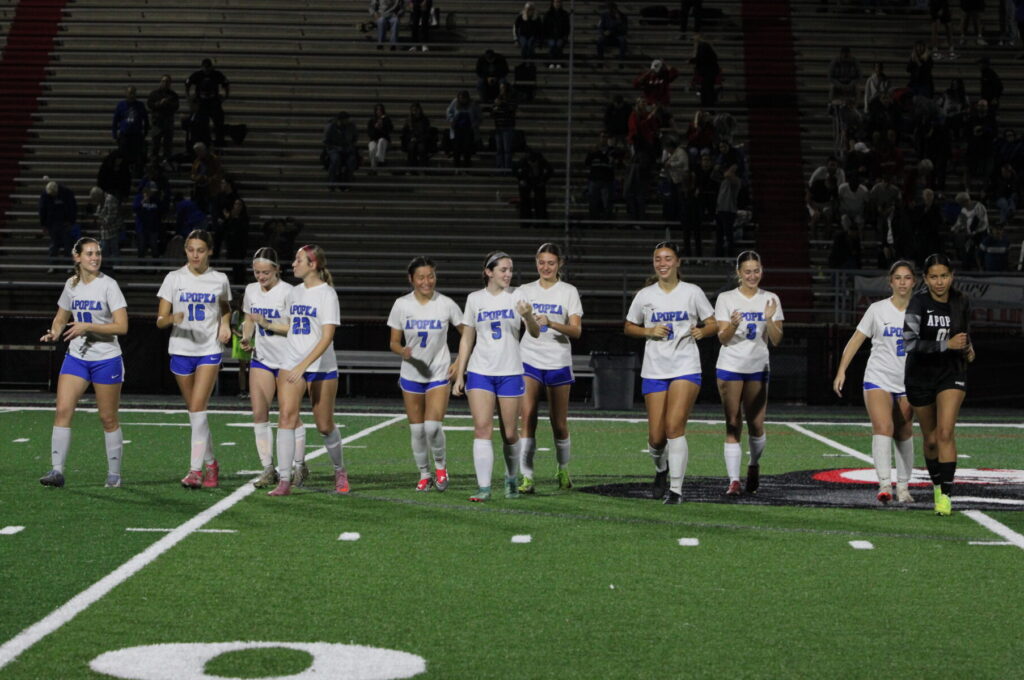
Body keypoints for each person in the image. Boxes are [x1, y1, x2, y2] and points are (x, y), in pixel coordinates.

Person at [624, 241, 715, 505]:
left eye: (667, 258)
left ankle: (676, 490)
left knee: (674, 426)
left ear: (677, 262)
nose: (662, 263)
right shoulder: (645, 295)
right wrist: (648, 331)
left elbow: (713, 323)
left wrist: (703, 331)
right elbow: (629, 326)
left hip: (686, 366)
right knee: (656, 438)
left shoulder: (692, 292)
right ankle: (661, 469)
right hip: (654, 369)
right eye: (658, 259)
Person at [38, 237, 128, 488]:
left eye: (97, 253)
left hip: (106, 358)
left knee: (107, 418)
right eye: (89, 253)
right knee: (63, 410)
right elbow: (61, 317)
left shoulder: (109, 285)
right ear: (76, 257)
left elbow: (122, 326)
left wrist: (88, 326)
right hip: (77, 357)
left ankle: (114, 474)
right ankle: (57, 470)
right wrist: (55, 332)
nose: (95, 258)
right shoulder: (71, 284)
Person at [452, 251, 540, 502]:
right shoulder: (474, 299)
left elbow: (535, 332)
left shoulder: (518, 296)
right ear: (488, 272)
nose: (508, 274)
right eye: (503, 269)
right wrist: (460, 374)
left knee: (510, 434)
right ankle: (484, 487)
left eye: (510, 269)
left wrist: (527, 315)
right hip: (480, 371)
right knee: (482, 429)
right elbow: (467, 338)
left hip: (510, 371)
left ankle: (511, 478)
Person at [833, 260, 916, 504]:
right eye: (898, 278)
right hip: (878, 377)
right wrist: (841, 370)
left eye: (907, 278)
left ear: (914, 282)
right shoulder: (877, 310)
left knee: (904, 431)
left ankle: (903, 488)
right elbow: (856, 340)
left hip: (908, 381)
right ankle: (884, 485)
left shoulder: (921, 311)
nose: (902, 282)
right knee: (883, 427)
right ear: (890, 282)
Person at [266, 245, 346, 496]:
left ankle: (339, 470)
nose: (293, 264)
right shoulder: (294, 293)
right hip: (291, 363)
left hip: (321, 366)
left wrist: (304, 365)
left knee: (324, 425)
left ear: (313, 265)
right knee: (286, 417)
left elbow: (327, 336)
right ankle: (284, 479)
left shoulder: (327, 294)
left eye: (299, 260)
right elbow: (293, 328)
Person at [156, 229, 231, 488]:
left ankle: (195, 471)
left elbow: (225, 307)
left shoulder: (219, 279)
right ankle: (211, 464)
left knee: (198, 407)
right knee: (195, 414)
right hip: (181, 348)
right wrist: (171, 318)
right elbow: (160, 320)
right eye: (191, 250)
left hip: (209, 349)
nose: (195, 255)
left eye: (200, 250)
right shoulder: (174, 278)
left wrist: (225, 325)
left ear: (209, 251)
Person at [903, 253, 975, 516]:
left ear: (952, 276)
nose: (939, 281)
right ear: (925, 279)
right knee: (931, 439)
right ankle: (936, 484)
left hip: (951, 372)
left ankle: (945, 495)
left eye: (944, 276)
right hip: (920, 375)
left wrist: (968, 348)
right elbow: (909, 342)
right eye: (934, 277)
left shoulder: (961, 301)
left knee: (945, 432)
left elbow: (964, 334)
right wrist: (947, 344)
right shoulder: (918, 303)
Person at [387, 257, 464, 491]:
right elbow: (393, 342)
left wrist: (459, 362)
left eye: (430, 276)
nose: (426, 281)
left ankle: (440, 467)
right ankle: (424, 474)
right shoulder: (401, 304)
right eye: (421, 277)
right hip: (411, 374)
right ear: (411, 279)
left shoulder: (446, 304)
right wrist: (402, 350)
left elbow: (468, 334)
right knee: (417, 430)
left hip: (438, 372)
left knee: (432, 427)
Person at [714, 251, 783, 496]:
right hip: (730, 365)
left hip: (758, 367)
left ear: (761, 271)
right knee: (733, 423)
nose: (752, 276)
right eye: (747, 271)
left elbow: (776, 340)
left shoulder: (771, 298)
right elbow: (723, 339)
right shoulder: (726, 298)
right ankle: (733, 480)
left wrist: (769, 319)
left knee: (756, 424)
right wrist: (733, 324)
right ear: (739, 273)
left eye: (756, 271)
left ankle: (753, 464)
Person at [517, 243, 583, 493]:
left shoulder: (568, 291)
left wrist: (552, 323)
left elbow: (576, 331)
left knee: (559, 423)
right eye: (542, 262)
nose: (546, 267)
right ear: (536, 263)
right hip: (529, 359)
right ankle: (527, 477)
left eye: (551, 263)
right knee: (528, 417)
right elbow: (518, 325)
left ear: (559, 264)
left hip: (558, 361)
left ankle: (563, 469)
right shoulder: (525, 290)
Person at [240, 247, 307, 489]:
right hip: (262, 359)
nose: (260, 277)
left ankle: (299, 465)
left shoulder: (289, 292)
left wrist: (267, 323)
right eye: (257, 272)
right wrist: (247, 337)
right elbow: (249, 319)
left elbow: (295, 327)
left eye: (265, 272)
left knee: (290, 416)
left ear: (277, 270)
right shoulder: (251, 290)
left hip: (289, 361)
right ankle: (268, 468)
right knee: (260, 414)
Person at [185, 58, 230, 146]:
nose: (206, 70)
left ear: (211, 67)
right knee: (201, 124)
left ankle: (219, 142)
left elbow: (226, 83)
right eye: (205, 68)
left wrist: (225, 96)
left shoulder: (216, 74)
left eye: (208, 68)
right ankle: (204, 141)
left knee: (219, 122)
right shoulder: (198, 75)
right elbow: (187, 84)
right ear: (202, 67)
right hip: (201, 102)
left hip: (213, 102)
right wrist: (189, 98)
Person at [39, 180, 78, 268]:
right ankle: (53, 265)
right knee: (54, 245)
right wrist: (43, 224)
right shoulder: (45, 195)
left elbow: (73, 208)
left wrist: (71, 221)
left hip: (64, 223)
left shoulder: (67, 194)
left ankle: (67, 265)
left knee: (67, 245)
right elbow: (42, 210)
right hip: (53, 224)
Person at [112, 86, 149, 177]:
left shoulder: (140, 105)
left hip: (136, 135)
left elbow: (146, 119)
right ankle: (123, 174)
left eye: (133, 93)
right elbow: (115, 120)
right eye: (130, 93)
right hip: (125, 135)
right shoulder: (121, 105)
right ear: (126, 94)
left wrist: (145, 133)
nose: (132, 95)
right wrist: (114, 134)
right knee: (123, 156)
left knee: (137, 156)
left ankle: (137, 174)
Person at [147, 75, 180, 166]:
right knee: (155, 144)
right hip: (156, 123)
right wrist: (159, 104)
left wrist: (167, 103)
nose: (165, 83)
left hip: (168, 123)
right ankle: (154, 163)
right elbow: (150, 104)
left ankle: (166, 162)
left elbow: (176, 106)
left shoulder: (173, 95)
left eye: (167, 82)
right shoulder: (154, 94)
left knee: (167, 145)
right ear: (160, 82)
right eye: (163, 81)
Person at [323, 111, 358, 188]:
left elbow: (355, 138)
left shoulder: (351, 126)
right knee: (335, 160)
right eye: (346, 120)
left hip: (347, 148)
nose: (348, 121)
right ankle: (331, 181)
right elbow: (326, 141)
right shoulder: (330, 127)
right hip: (334, 148)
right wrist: (335, 148)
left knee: (351, 161)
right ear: (340, 120)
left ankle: (348, 181)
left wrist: (351, 146)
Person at [446, 91, 481, 168]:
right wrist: (451, 120)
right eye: (461, 98)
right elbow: (449, 112)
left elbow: (479, 117)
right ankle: (456, 168)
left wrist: (474, 125)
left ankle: (466, 168)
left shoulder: (473, 104)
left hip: (469, 130)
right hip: (457, 130)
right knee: (456, 150)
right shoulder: (455, 102)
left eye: (464, 98)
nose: (462, 100)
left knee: (467, 149)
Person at [401, 102, 434, 168]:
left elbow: (427, 133)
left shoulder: (424, 119)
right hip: (412, 139)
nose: (415, 112)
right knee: (411, 147)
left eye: (416, 110)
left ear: (420, 110)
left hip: (422, 139)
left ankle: (422, 167)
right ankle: (411, 168)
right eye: (413, 110)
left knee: (421, 148)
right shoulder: (409, 120)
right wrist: (411, 137)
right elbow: (405, 132)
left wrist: (419, 139)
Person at [543, 0, 571, 67]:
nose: (557, 4)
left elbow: (567, 27)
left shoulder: (564, 14)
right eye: (555, 2)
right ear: (552, 3)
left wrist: (565, 36)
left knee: (559, 44)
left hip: (561, 36)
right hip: (550, 36)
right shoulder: (548, 14)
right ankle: (551, 62)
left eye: (559, 2)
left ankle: (558, 62)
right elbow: (544, 27)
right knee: (552, 44)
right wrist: (546, 37)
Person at [367, 103, 394, 170]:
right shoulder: (372, 121)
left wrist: (382, 127)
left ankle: (379, 159)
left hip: (384, 140)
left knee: (381, 141)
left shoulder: (387, 120)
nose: (379, 111)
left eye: (380, 110)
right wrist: (375, 128)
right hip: (374, 140)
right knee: (372, 148)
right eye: (377, 110)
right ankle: (373, 167)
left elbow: (389, 132)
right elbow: (370, 134)